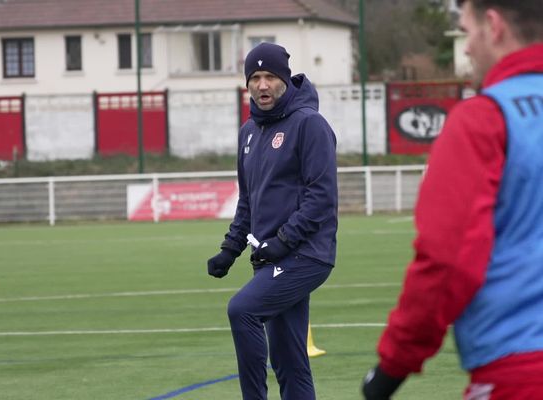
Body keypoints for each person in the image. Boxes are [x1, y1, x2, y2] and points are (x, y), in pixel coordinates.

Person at [361, 1, 543, 399]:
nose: (466, 48)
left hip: (520, 370)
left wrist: (392, 366)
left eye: (466, 31)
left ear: (493, 26)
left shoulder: (484, 119)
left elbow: (448, 259)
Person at [206, 42, 338, 399]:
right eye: (255, 78)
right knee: (289, 360)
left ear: (284, 80)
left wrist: (283, 240)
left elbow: (321, 197)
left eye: (270, 77)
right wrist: (229, 250)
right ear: (247, 83)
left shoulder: (310, 125)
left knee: (242, 310)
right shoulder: (249, 132)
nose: (263, 85)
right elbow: (248, 199)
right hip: (271, 257)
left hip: (306, 254)